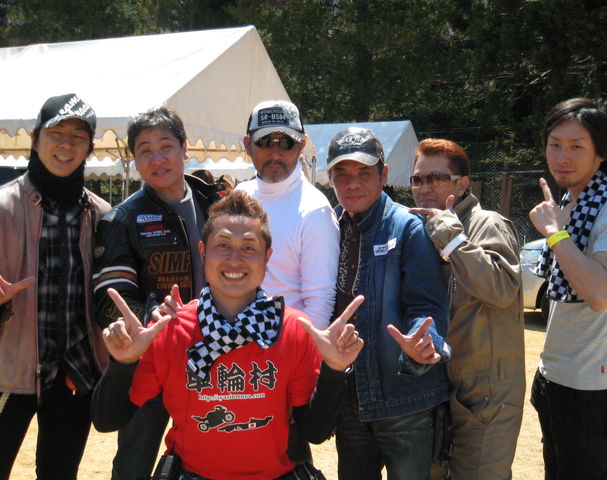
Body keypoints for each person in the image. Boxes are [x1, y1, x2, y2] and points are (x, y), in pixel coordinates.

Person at [91, 190, 364, 480]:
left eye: (249, 248)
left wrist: (334, 370)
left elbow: (314, 432)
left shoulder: (294, 330)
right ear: (203, 252)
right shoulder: (171, 330)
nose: (235, 259)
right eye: (222, 245)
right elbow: (106, 420)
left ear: (267, 257)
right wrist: (122, 364)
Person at [92, 107, 221, 480]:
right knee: (134, 462)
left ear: (185, 148)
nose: (157, 158)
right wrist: (153, 320)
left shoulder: (214, 205)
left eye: (166, 146)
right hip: (151, 362)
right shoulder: (122, 219)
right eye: (145, 150)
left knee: (211, 456)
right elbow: (109, 299)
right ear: (134, 160)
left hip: (211, 354)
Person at [326, 126, 451, 480]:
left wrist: (422, 345)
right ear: (330, 178)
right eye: (341, 174)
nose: (352, 184)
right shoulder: (329, 227)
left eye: (364, 173)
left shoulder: (407, 228)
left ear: (383, 175)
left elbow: (427, 307)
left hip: (406, 400)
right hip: (352, 401)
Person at [0, 93, 111, 480]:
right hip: (9, 370)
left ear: (90, 148)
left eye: (78, 137)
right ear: (35, 139)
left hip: (74, 372)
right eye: (56, 133)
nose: (66, 145)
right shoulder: (4, 207)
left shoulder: (100, 214)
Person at [529, 98, 607, 480]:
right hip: (554, 377)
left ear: (600, 153)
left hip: (592, 387)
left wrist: (555, 234)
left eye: (576, 146)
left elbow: (599, 293)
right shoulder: (570, 205)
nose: (562, 157)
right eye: (555, 144)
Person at [409, 139, 525, 480]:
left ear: (462, 185)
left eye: (436, 178)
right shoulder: (421, 229)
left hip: (485, 396)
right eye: (417, 179)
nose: (424, 187)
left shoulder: (486, 224)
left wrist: (450, 236)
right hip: (436, 389)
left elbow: (501, 289)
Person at [237, 100, 339, 330]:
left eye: (286, 142)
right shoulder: (239, 195)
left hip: (285, 344)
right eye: (264, 141)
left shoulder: (315, 210)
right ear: (247, 144)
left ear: (301, 145)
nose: (275, 153)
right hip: (233, 338)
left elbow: (320, 303)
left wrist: (299, 350)